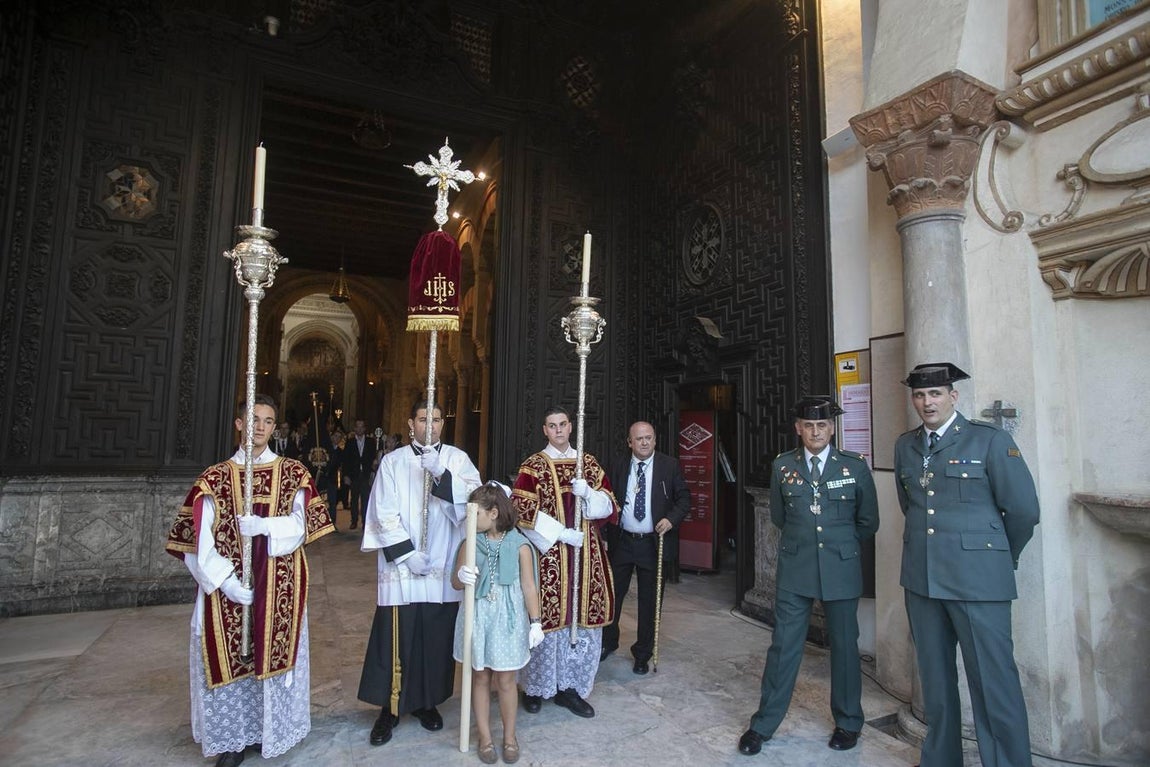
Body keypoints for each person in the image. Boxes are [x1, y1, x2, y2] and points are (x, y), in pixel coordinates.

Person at [164, 394, 334, 767]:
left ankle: (266, 730)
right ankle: (233, 739)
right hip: (227, 590)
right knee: (232, 659)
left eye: (268, 421)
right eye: (253, 419)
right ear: (239, 423)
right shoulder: (215, 478)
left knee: (269, 655)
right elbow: (197, 542)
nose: (259, 427)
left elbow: (304, 525)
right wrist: (224, 581)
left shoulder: (292, 473)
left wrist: (265, 526)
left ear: (276, 427)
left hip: (278, 584)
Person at [894, 363, 1040, 767]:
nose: (928, 402)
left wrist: (996, 559)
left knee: (995, 687)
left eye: (936, 394)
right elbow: (912, 507)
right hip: (923, 581)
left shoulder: (987, 441)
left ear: (952, 397)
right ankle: (941, 760)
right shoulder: (905, 446)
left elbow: (1024, 511)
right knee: (936, 685)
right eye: (920, 396)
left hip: (979, 583)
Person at [739, 395, 879, 756]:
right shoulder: (783, 466)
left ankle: (848, 722)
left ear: (832, 428)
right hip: (796, 568)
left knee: (845, 649)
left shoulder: (854, 467)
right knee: (784, 646)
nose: (816, 432)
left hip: (840, 569)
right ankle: (763, 725)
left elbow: (868, 522)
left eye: (822, 425)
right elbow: (780, 516)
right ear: (798, 428)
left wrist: (837, 545)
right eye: (809, 425)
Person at [357, 402, 482, 746]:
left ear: (444, 423)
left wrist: (442, 474)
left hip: (442, 566)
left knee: (435, 638)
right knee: (398, 637)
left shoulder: (457, 460)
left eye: (437, 419)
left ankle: (428, 702)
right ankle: (390, 708)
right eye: (424, 418)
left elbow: (476, 505)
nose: (431, 424)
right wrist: (407, 555)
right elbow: (383, 511)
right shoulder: (393, 461)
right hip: (403, 570)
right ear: (411, 423)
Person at [512, 406, 617, 719]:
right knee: (544, 621)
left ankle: (569, 688)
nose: (558, 430)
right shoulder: (533, 466)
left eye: (562, 424)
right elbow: (520, 509)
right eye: (551, 425)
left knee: (578, 622)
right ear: (544, 430)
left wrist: (590, 496)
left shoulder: (588, 464)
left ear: (571, 427)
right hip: (549, 557)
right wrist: (558, 533)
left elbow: (611, 506)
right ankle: (534, 687)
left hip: (586, 555)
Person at [451, 484, 545, 765]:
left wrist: (536, 622)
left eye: (475, 513)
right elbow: (455, 582)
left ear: (493, 513)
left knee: (506, 679)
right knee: (480, 676)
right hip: (478, 617)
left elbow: (529, 586)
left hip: (508, 620)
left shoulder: (519, 544)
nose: (470, 520)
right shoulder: (470, 541)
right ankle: (484, 737)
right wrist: (462, 575)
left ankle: (510, 737)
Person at [602, 420, 690, 674]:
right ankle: (608, 642)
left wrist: (671, 520)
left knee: (650, 600)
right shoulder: (619, 464)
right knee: (613, 596)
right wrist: (605, 532)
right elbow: (607, 500)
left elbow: (684, 499)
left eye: (648, 438)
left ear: (654, 440)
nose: (644, 442)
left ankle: (642, 653)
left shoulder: (669, 465)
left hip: (653, 542)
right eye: (639, 439)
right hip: (623, 541)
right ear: (630, 442)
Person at [344, 418, 375, 530]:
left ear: (365, 428)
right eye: (358, 426)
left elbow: (373, 458)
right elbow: (346, 460)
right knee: (353, 499)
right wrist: (346, 475)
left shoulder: (371, 442)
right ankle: (354, 520)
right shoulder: (350, 442)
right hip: (354, 474)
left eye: (362, 426)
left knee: (365, 499)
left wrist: (372, 473)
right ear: (355, 428)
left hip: (365, 474)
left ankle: (365, 521)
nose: (360, 428)